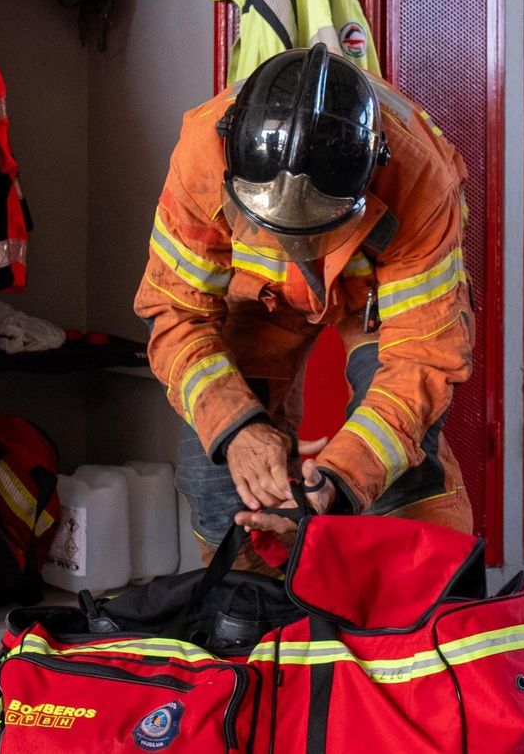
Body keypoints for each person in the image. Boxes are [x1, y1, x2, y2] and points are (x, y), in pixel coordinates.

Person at [135, 43, 474, 571]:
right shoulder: (203, 153)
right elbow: (176, 314)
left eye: (315, 232)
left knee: (407, 474)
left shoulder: (419, 178)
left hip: (373, 302)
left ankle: (417, 619)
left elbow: (420, 362)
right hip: (262, 298)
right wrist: (238, 427)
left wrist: (339, 478)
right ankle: (250, 618)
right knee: (214, 474)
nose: (298, 249)